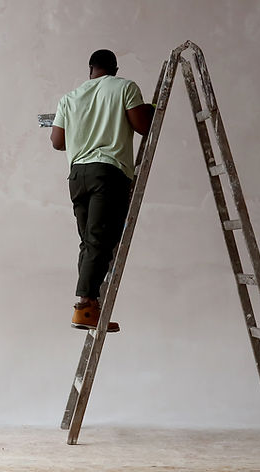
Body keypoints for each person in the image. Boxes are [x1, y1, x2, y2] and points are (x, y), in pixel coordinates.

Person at [50, 49, 154, 332]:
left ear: (90, 70)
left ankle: (89, 305)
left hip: (77, 175)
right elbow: (143, 126)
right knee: (99, 240)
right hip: (106, 173)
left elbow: (57, 142)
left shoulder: (69, 98)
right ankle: (84, 305)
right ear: (115, 69)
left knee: (88, 241)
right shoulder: (124, 87)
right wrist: (150, 109)